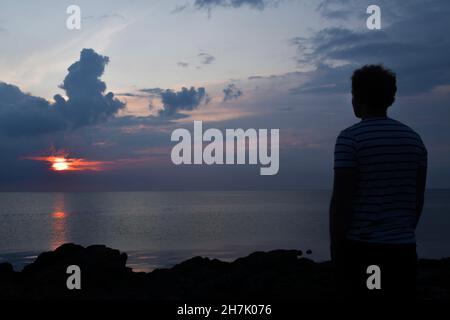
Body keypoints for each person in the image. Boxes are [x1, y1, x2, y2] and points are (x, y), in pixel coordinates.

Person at [330, 65, 427, 299]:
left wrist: (337, 248)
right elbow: (417, 200)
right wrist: (400, 232)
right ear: (390, 98)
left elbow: (342, 201)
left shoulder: (350, 139)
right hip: (403, 250)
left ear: (357, 98)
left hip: (361, 249)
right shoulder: (414, 140)